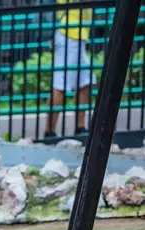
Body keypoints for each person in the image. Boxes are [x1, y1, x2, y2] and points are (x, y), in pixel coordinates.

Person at [45, 0, 95, 138]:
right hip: (69, 33)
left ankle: (80, 128)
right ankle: (49, 132)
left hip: (77, 34)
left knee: (85, 82)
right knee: (60, 85)